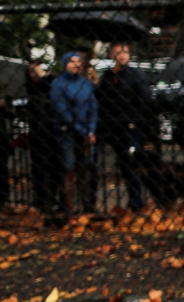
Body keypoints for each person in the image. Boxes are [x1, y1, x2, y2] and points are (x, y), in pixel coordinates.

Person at [98, 42, 152, 211]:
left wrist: (136, 120)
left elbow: (145, 100)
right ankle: (135, 199)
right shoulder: (107, 76)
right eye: (118, 52)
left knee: (132, 162)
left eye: (125, 52)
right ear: (112, 56)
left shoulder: (136, 75)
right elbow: (102, 100)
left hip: (132, 126)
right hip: (115, 127)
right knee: (124, 164)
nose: (122, 55)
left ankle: (137, 201)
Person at [50, 51, 98, 214]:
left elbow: (93, 107)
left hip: (85, 132)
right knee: (69, 168)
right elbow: (63, 111)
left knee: (84, 168)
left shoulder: (86, 84)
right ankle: (70, 206)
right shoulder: (58, 84)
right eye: (72, 61)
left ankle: (87, 205)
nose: (76, 64)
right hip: (68, 133)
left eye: (78, 61)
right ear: (65, 64)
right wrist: (84, 131)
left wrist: (91, 130)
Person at [24, 61, 62, 213]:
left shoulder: (51, 83)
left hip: (51, 129)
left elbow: (53, 87)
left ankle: (52, 196)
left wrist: (43, 75)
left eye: (36, 70)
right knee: (38, 165)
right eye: (31, 71)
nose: (34, 74)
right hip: (36, 131)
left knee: (54, 165)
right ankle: (40, 197)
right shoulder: (29, 87)